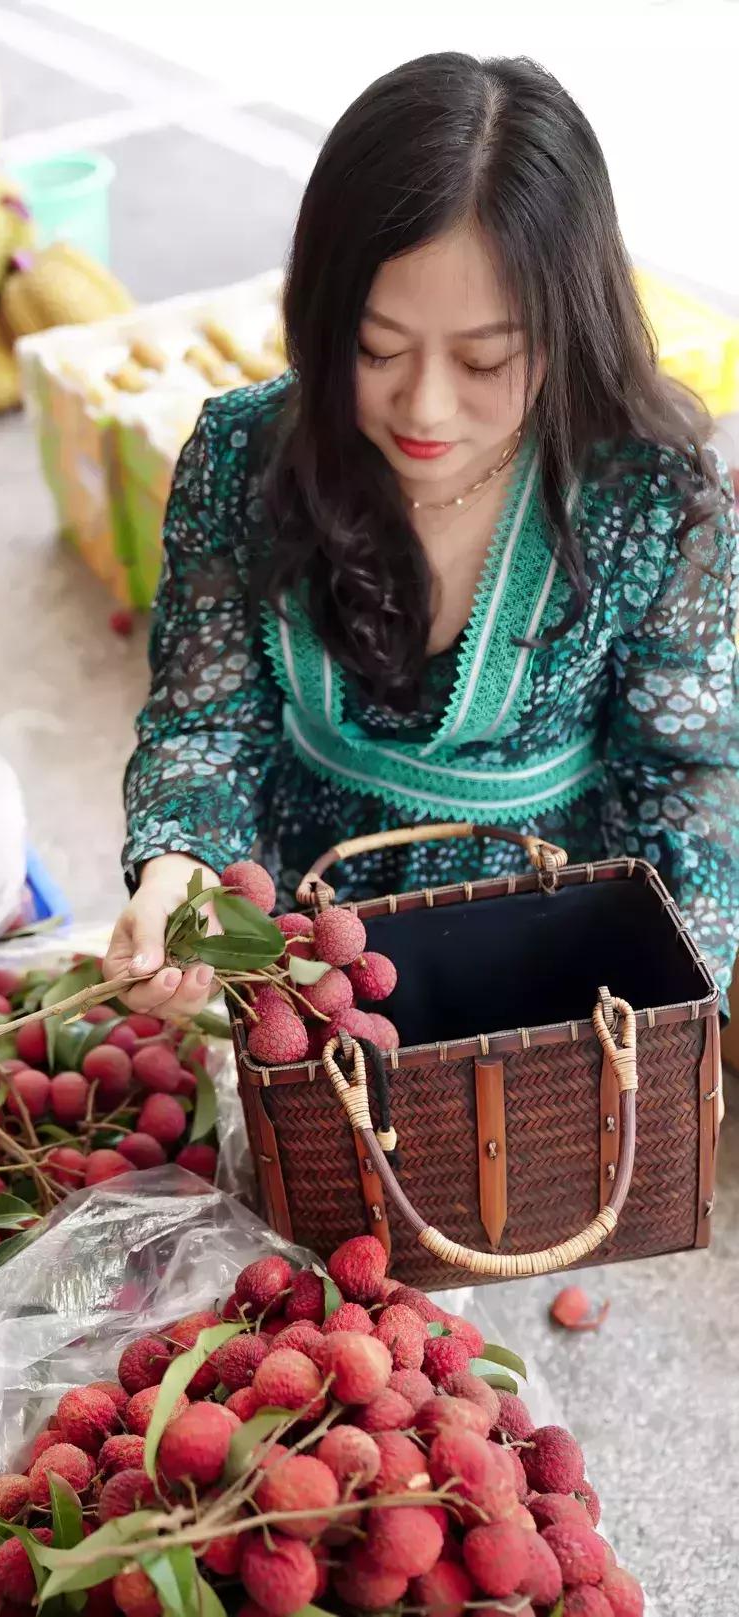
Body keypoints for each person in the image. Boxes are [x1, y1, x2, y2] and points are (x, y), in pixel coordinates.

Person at [106, 52, 739, 1026]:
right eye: (376, 349)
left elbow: (687, 768)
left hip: (559, 939)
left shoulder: (651, 496)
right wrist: (182, 866)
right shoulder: (244, 459)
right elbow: (207, 721)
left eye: (486, 358)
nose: (427, 406)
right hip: (304, 941)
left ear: (569, 329)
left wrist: (675, 1001)